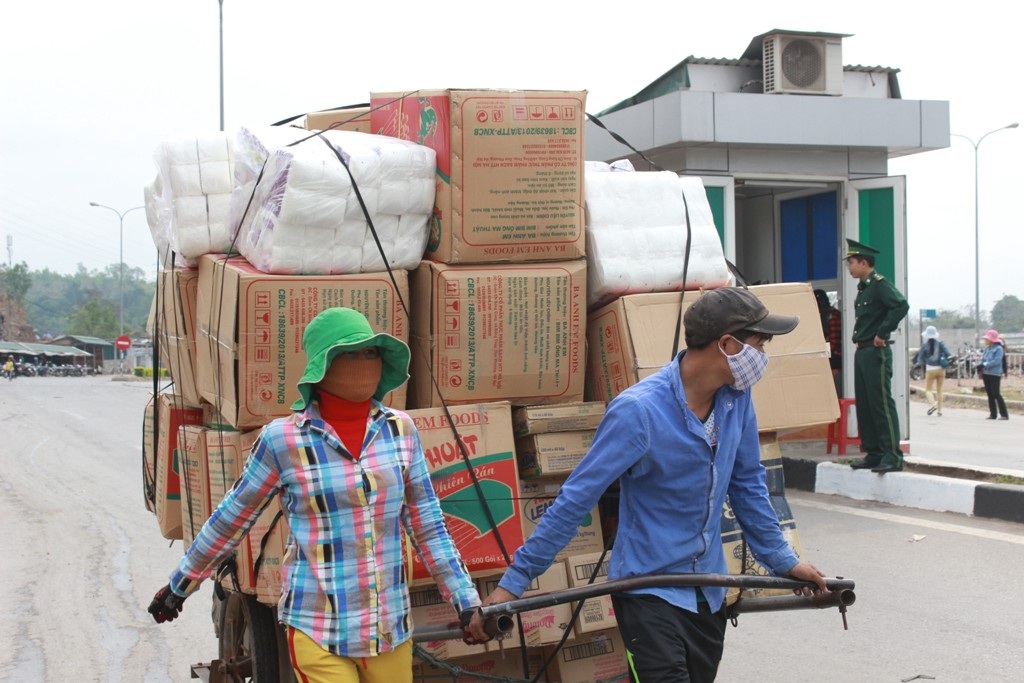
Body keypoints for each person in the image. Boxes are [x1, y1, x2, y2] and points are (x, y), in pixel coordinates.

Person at [475, 287, 828, 683]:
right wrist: (511, 588)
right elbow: (575, 501)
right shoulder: (638, 412)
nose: (762, 357)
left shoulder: (736, 400)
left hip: (708, 591)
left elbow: (747, 486)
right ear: (727, 344)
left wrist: (784, 561)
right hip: (648, 592)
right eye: (759, 344)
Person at [148, 307, 490, 682]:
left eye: (370, 352)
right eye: (349, 353)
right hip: (317, 624)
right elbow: (232, 518)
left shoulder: (400, 430)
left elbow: (428, 525)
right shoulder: (283, 440)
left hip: (389, 626)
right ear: (323, 366)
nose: (363, 362)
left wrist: (465, 600)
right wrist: (181, 583)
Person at [843, 238, 909, 474]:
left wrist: (883, 332)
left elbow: (901, 305)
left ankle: (892, 455)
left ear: (863, 262)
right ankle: (874, 452)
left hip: (876, 351)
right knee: (866, 404)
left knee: (880, 403)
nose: (849, 267)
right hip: (862, 351)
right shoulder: (863, 289)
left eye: (851, 262)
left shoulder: (880, 284)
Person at [913, 325, 950, 416]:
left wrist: (924, 362)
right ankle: (940, 411)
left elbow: (919, 359)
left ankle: (933, 404)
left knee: (928, 390)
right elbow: (948, 354)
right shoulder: (941, 344)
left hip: (930, 370)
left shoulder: (924, 346)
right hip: (941, 369)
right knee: (939, 390)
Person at [814, 288, 843, 394]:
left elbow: (834, 343)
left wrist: (821, 349)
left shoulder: (833, 316)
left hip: (835, 356)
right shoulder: (821, 316)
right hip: (827, 354)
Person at [977, 328, 1009, 420]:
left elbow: (997, 361)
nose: (985, 341)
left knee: (996, 393)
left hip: (995, 373)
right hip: (986, 373)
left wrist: (985, 364)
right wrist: (981, 364)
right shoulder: (987, 348)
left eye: (986, 339)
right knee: (990, 394)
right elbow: (983, 358)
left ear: (991, 339)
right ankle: (993, 414)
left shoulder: (999, 349)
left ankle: (1004, 414)